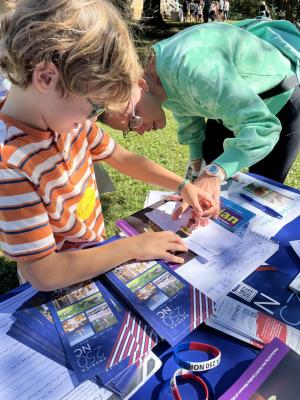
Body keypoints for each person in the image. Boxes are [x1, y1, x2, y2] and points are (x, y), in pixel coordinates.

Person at [0, 0, 216, 291]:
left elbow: (123, 158)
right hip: (62, 286)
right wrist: (133, 247)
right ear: (46, 77)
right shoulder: (10, 165)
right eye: (94, 107)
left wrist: (182, 185)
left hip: (95, 255)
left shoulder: (68, 123)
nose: (94, 118)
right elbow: (44, 273)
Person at [101, 22, 300, 213]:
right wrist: (197, 164)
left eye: (134, 119)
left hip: (280, 97)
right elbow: (187, 109)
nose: (141, 130)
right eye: (130, 129)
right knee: (210, 181)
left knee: (260, 189)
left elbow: (263, 128)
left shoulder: (194, 69)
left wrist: (215, 173)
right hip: (228, 103)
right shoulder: (154, 82)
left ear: (140, 84)